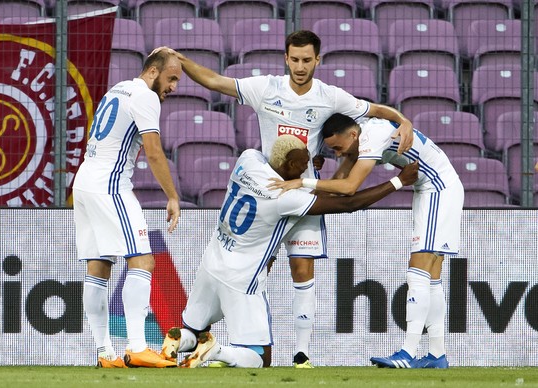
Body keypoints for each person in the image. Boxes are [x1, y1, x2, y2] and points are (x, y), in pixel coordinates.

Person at [153, 29, 414, 367]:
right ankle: (237, 346)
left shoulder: (330, 97)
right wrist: (184, 61)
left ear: (317, 60)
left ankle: (301, 355)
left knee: (302, 269)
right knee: (262, 267)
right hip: (275, 192)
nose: (301, 66)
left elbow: (372, 110)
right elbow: (216, 82)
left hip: (306, 192)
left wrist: (402, 119)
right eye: (295, 59)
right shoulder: (267, 89)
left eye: (307, 60)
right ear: (285, 58)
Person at [158, 134, 419, 368]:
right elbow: (348, 203)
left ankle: (178, 342)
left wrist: (305, 166)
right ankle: (216, 350)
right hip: (242, 279)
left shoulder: (247, 160)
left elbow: (267, 155)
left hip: (211, 264)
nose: (308, 167)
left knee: (193, 328)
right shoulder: (286, 198)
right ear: (290, 166)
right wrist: (398, 181)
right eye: (303, 163)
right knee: (260, 356)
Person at [270, 113, 464, 369]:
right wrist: (299, 192)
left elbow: (349, 188)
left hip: (439, 189)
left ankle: (407, 353)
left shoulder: (373, 135)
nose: (337, 155)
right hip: (429, 188)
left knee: (418, 271)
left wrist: (302, 181)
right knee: (432, 277)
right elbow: (334, 184)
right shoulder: (357, 140)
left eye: (338, 148)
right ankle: (437, 355)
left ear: (353, 135)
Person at [73, 50, 183, 369]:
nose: (174, 86)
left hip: (85, 181)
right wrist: (172, 196)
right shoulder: (145, 97)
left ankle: (105, 353)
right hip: (110, 184)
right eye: (171, 78)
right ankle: (137, 347)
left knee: (98, 266)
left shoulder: (118, 88)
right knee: (143, 260)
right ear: (152, 71)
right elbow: (153, 151)